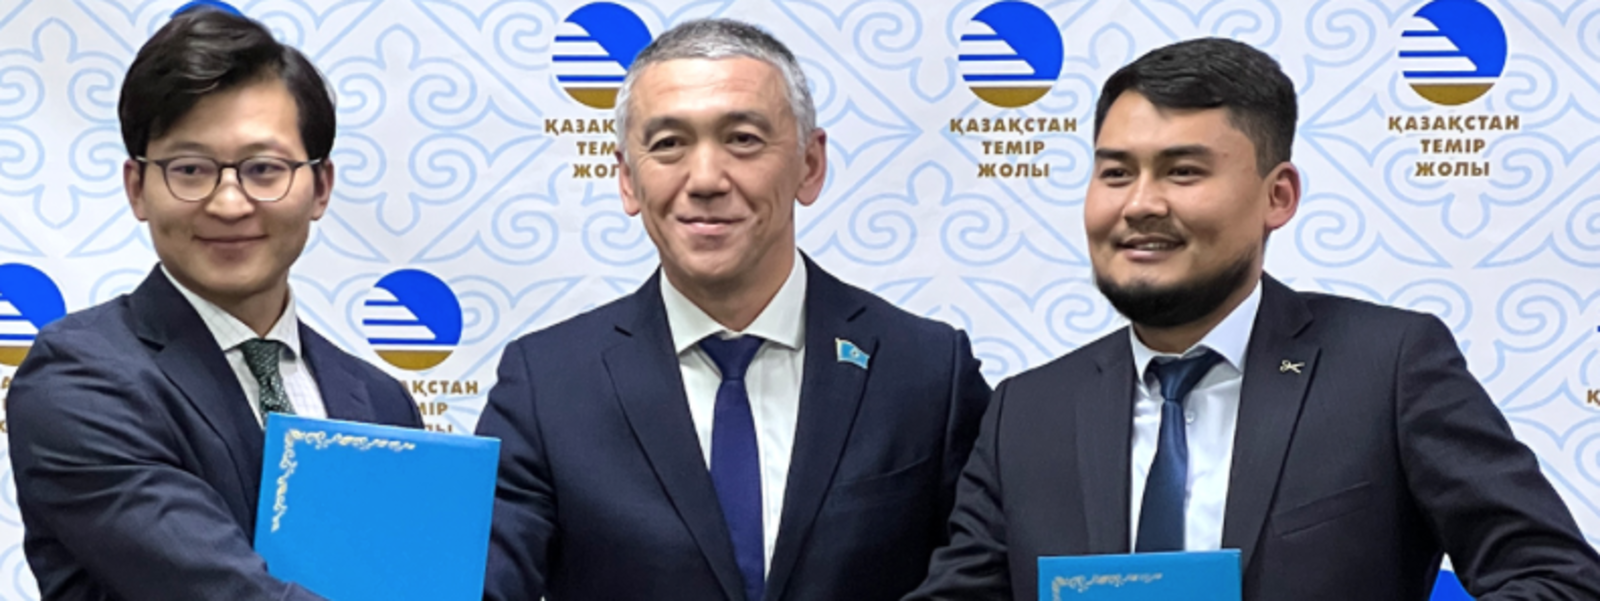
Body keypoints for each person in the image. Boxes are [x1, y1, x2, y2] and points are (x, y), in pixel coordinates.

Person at [907, 37, 1600, 601]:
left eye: (1183, 172)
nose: (1140, 204)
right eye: (1116, 173)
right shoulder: (1027, 411)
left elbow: (1558, 578)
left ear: (1279, 196)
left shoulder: (1388, 367)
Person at [476, 18, 990, 601]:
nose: (705, 179)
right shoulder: (546, 385)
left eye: (742, 139)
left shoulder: (928, 370)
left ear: (810, 165)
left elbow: (984, 580)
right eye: (668, 144)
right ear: (627, 179)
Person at [5, 5, 422, 600]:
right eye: (191, 169)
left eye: (263, 169)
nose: (229, 203)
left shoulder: (382, 403)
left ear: (321, 187)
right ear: (137, 188)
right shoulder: (79, 378)